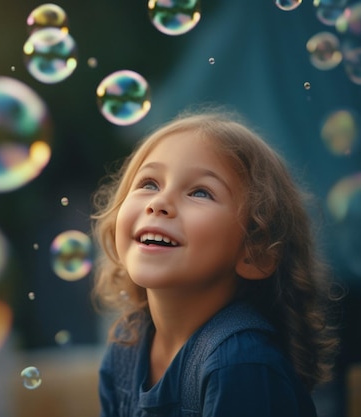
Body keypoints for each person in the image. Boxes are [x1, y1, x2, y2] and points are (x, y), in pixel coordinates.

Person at [91, 109, 339, 416]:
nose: (159, 204)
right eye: (149, 184)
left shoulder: (240, 364)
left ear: (255, 251)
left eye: (200, 192)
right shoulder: (125, 353)